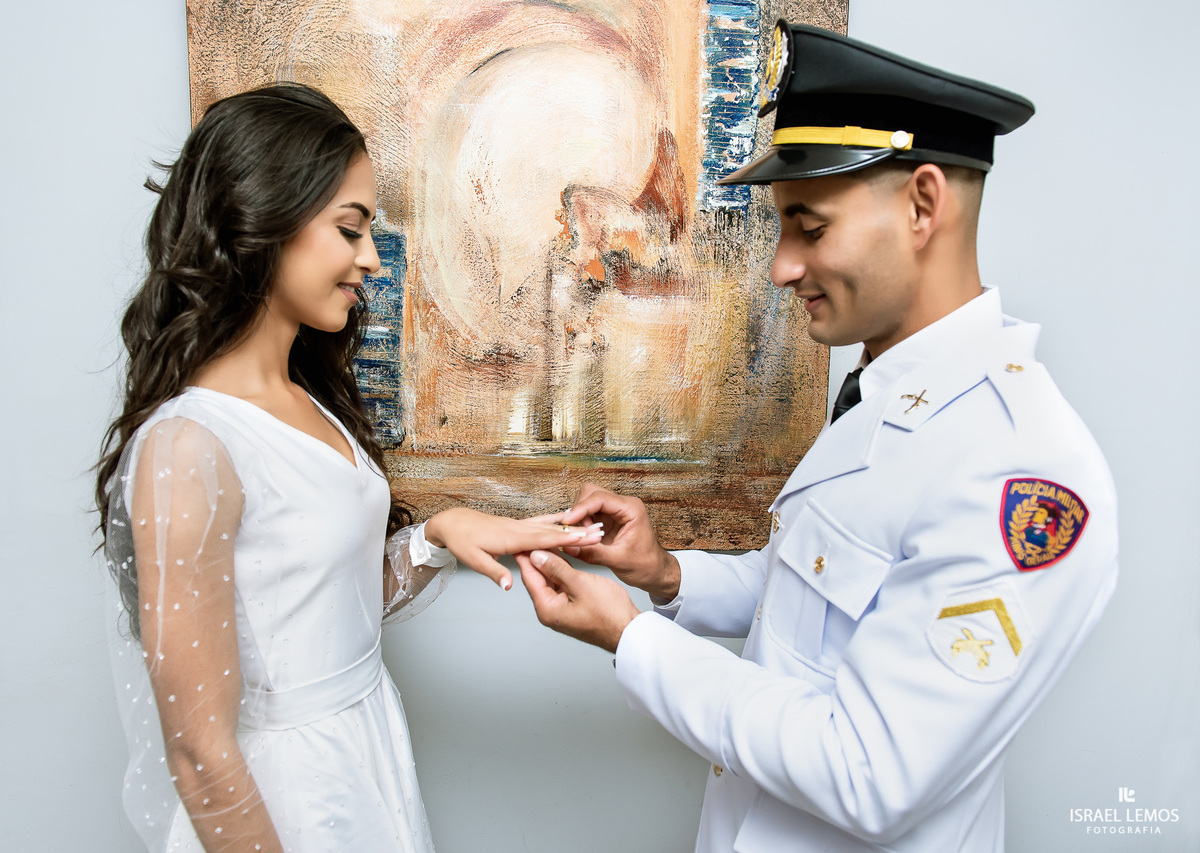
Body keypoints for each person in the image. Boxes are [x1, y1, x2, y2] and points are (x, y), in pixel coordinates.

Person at [518, 21, 1118, 853]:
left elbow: (871, 772)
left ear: (923, 205)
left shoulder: (1019, 469)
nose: (781, 267)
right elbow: (809, 591)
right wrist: (664, 573)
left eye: (811, 226)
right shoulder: (884, 389)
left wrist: (632, 636)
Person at [94, 83, 602, 853]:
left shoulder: (308, 399)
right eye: (349, 228)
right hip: (286, 798)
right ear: (264, 217)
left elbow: (326, 611)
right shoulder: (189, 445)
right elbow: (199, 753)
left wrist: (436, 535)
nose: (370, 257)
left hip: (362, 759)